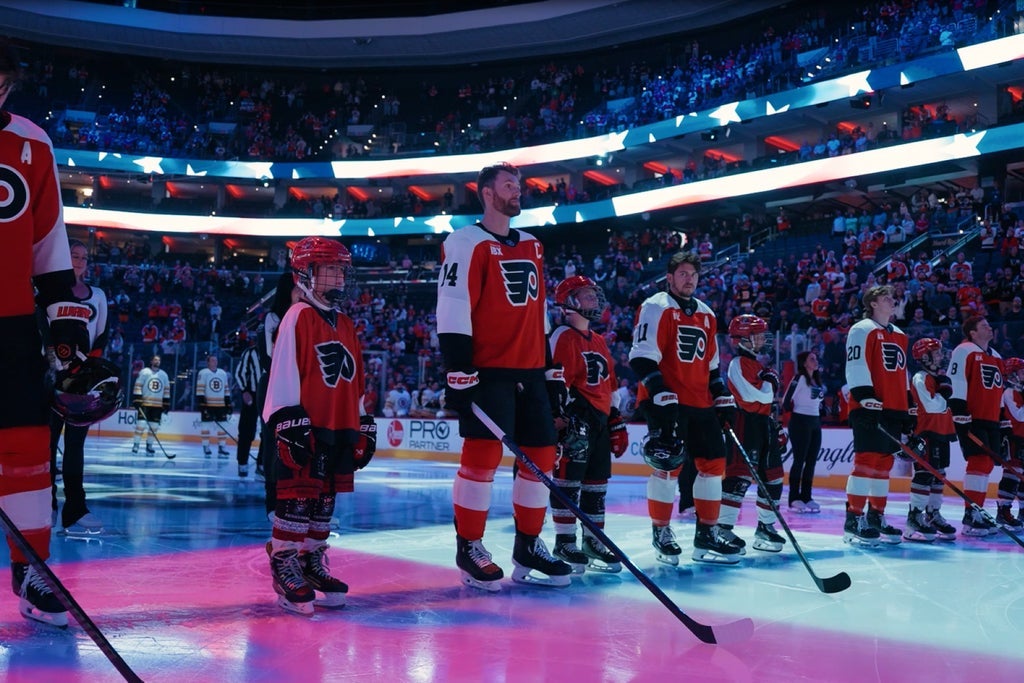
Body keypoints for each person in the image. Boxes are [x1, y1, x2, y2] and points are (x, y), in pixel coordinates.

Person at [436, 161, 571, 590]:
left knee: (542, 459)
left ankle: (528, 545)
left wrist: (549, 369)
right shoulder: (465, 242)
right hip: (487, 371)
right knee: (481, 461)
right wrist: (457, 368)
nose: (518, 191)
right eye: (509, 185)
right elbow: (453, 305)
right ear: (488, 194)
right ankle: (469, 547)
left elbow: (540, 312)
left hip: (530, 370)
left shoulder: (533, 244)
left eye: (519, 185)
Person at [0, 39, 91, 626]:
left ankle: (32, 566)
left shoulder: (32, 143)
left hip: (9, 327)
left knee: (28, 450)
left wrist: (68, 343)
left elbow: (51, 248)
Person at [262, 236, 375, 615]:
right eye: (330, 269)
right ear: (306, 274)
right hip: (307, 424)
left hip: (338, 424)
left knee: (325, 499)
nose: (339, 277)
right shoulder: (298, 316)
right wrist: (286, 418)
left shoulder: (345, 322)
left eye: (342, 270)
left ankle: (311, 559)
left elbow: (357, 377)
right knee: (297, 496)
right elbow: (284, 369)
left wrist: (362, 421)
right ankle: (284, 560)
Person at [629, 250, 742, 565]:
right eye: (683, 273)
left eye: (693, 273)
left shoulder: (706, 313)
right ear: (670, 277)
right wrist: (659, 391)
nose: (689, 278)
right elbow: (640, 356)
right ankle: (661, 531)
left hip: (700, 401)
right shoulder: (655, 306)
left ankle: (706, 534)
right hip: (665, 401)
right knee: (668, 467)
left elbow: (713, 366)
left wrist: (720, 394)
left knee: (713, 466)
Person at [548, 275, 628, 574]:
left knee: (597, 484)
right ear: (569, 302)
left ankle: (593, 540)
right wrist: (561, 419)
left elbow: (610, 384)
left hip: (599, 420)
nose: (594, 300)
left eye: (595, 294)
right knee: (568, 483)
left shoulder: (598, 340)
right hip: (577, 417)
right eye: (586, 295)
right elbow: (556, 382)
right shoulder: (562, 336)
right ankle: (565, 540)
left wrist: (615, 420)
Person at [843, 285, 913, 546]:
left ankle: (876, 517)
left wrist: (908, 408)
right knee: (866, 462)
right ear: (872, 303)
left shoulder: (901, 335)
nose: (892, 301)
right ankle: (853, 519)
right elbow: (856, 364)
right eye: (886, 298)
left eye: (893, 298)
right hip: (870, 406)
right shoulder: (862, 328)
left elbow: (902, 373)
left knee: (884, 465)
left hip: (894, 409)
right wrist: (865, 397)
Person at [50, 240, 108, 536]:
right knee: (47, 445)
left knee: (75, 447)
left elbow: (100, 339)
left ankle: (74, 511)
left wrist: (84, 373)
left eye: (84, 257)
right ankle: (45, 504)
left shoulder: (98, 296)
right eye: (74, 255)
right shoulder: (50, 292)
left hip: (80, 385)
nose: (80, 260)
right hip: (51, 380)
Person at [718, 314, 787, 554]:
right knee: (739, 478)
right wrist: (770, 383)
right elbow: (756, 397)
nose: (762, 339)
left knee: (774, 478)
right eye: (757, 334)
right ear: (743, 339)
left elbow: (766, 401)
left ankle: (765, 526)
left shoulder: (759, 365)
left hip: (763, 424)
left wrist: (774, 425)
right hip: (744, 424)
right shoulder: (738, 364)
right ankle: (723, 527)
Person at [948, 316, 1005, 536]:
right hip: (972, 417)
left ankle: (978, 511)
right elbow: (958, 380)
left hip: (992, 419)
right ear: (972, 332)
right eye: (984, 326)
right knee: (978, 462)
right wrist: (960, 413)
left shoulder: (997, 356)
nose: (990, 328)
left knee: (987, 464)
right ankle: (971, 515)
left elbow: (998, 390)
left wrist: (1003, 418)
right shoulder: (964, 350)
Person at [906, 338, 957, 541]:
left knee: (939, 474)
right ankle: (914, 517)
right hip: (926, 431)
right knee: (925, 474)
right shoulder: (921, 378)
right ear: (924, 357)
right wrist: (945, 392)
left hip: (942, 431)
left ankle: (932, 513)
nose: (940, 356)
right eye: (936, 353)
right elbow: (933, 406)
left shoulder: (937, 378)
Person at [258, 271, 300, 514]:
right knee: (274, 443)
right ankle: (273, 503)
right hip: (275, 384)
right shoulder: (273, 318)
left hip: (299, 384)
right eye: (298, 287)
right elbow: (270, 357)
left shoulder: (308, 315)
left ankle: (297, 499)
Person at [782, 351, 824, 512]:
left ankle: (807, 496)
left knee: (812, 460)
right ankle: (793, 498)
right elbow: (786, 400)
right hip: (800, 421)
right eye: (812, 359)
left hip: (815, 421)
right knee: (799, 460)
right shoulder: (799, 378)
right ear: (804, 363)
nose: (815, 360)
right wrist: (797, 412)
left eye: (815, 358)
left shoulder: (817, 380)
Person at [998, 358, 1024, 525]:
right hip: (1014, 439)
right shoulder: (1008, 393)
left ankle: (1022, 510)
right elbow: (1019, 416)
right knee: (1011, 476)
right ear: (1013, 374)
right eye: (1022, 371)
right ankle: (1003, 510)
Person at [233, 337, 262, 477]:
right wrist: (244, 390)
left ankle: (262, 463)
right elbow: (239, 373)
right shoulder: (250, 353)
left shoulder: (275, 350)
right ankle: (242, 463)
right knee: (246, 431)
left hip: (268, 395)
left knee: (268, 432)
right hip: (251, 393)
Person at [132, 355, 170, 455]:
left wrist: (166, 403)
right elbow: (138, 385)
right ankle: (136, 444)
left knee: (154, 427)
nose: (157, 362)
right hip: (145, 403)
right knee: (141, 425)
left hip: (157, 406)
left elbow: (166, 390)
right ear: (151, 361)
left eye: (159, 360)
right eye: (155, 360)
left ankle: (149, 445)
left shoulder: (164, 375)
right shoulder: (144, 372)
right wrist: (137, 400)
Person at [196, 353, 232, 458]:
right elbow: (200, 390)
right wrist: (202, 405)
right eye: (212, 360)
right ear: (208, 362)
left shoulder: (222, 373)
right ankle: (206, 446)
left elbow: (226, 389)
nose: (215, 362)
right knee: (206, 426)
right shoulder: (203, 373)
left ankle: (222, 447)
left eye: (216, 360)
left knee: (223, 427)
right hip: (208, 405)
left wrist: (228, 404)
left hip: (221, 405)